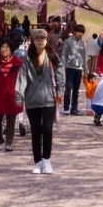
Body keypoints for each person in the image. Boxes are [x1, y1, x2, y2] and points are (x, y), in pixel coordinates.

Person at [15, 28, 65, 174]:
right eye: (38, 39)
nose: (41, 41)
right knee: (36, 131)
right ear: (33, 41)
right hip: (32, 100)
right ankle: (37, 162)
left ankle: (47, 159)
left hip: (49, 99)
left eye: (43, 39)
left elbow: (60, 69)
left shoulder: (51, 55)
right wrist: (19, 94)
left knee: (47, 130)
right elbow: (22, 77)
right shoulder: (27, 58)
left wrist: (61, 90)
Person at [0, 37, 22, 152]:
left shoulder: (18, 62)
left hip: (13, 93)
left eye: (7, 47)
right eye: (2, 47)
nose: (4, 49)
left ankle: (9, 142)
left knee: (11, 117)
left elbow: (22, 79)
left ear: (11, 49)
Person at [61, 24, 87, 116]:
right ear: (75, 32)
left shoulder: (83, 43)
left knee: (76, 90)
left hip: (78, 68)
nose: (80, 34)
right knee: (68, 88)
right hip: (69, 67)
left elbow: (84, 56)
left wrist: (85, 69)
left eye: (82, 32)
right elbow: (64, 54)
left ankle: (74, 108)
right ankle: (66, 107)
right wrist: (63, 67)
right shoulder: (68, 41)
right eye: (79, 32)